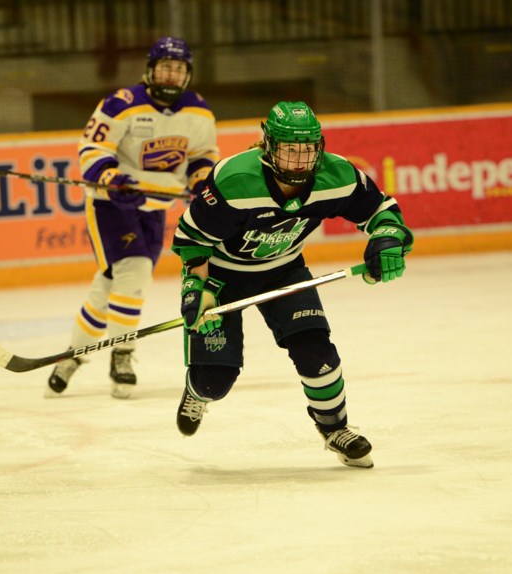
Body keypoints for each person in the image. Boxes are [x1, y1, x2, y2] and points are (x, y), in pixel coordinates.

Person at [171, 101, 414, 468]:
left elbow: (382, 212)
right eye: (289, 151)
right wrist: (197, 290)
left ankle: (335, 429)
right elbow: (193, 239)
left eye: (307, 150)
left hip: (284, 270)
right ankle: (196, 392)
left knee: (316, 351)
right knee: (213, 382)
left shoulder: (339, 174)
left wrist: (387, 240)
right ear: (269, 148)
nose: (300, 161)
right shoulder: (234, 180)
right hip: (222, 276)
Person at [46, 36, 219, 398]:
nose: (171, 75)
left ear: (187, 74)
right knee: (134, 269)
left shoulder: (199, 111)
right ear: (150, 69)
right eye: (165, 67)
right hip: (112, 204)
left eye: (179, 69)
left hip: (155, 206)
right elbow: (93, 148)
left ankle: (73, 355)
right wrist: (111, 178)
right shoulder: (121, 104)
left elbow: (203, 155)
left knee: (111, 284)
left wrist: (201, 179)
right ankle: (122, 354)